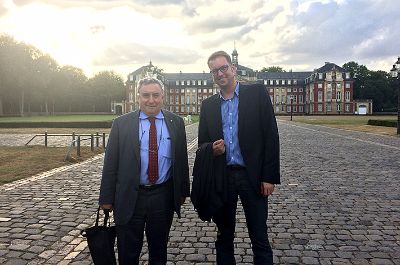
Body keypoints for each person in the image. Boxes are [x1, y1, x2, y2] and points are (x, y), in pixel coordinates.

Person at [197, 51, 280, 264]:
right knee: (224, 236)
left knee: (259, 236)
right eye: (215, 70)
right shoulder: (208, 105)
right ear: (211, 75)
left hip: (252, 176)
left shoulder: (257, 93)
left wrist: (269, 177)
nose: (220, 73)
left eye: (223, 68)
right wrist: (211, 149)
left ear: (233, 68)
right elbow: (201, 145)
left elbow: (271, 135)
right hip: (222, 178)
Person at [99, 77, 190, 265]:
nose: (151, 100)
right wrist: (106, 199)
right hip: (130, 196)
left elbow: (181, 160)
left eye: (156, 95)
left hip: (162, 196)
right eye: (146, 95)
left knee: (159, 250)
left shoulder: (176, 122)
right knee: (128, 251)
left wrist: (182, 192)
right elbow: (110, 164)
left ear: (163, 97)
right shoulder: (121, 123)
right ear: (138, 97)